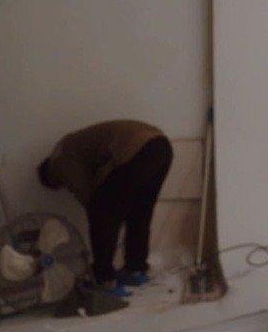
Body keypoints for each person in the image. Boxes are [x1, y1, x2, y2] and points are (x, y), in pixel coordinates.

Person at [37, 121, 173, 288]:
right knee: (140, 213)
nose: (64, 186)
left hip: (136, 150)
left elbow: (87, 194)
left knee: (101, 213)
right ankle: (135, 269)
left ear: (50, 176)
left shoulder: (59, 161)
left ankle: (103, 278)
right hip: (162, 147)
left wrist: (100, 214)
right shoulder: (74, 149)